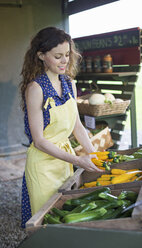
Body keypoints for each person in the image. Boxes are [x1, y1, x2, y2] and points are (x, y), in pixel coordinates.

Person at [19, 26, 103, 228]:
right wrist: (77, 159)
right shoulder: (35, 89)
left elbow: (77, 125)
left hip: (64, 160)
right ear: (41, 56)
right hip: (42, 166)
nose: (65, 60)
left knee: (66, 216)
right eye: (58, 56)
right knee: (45, 223)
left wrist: (94, 155)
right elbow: (39, 141)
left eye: (67, 54)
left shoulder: (69, 83)